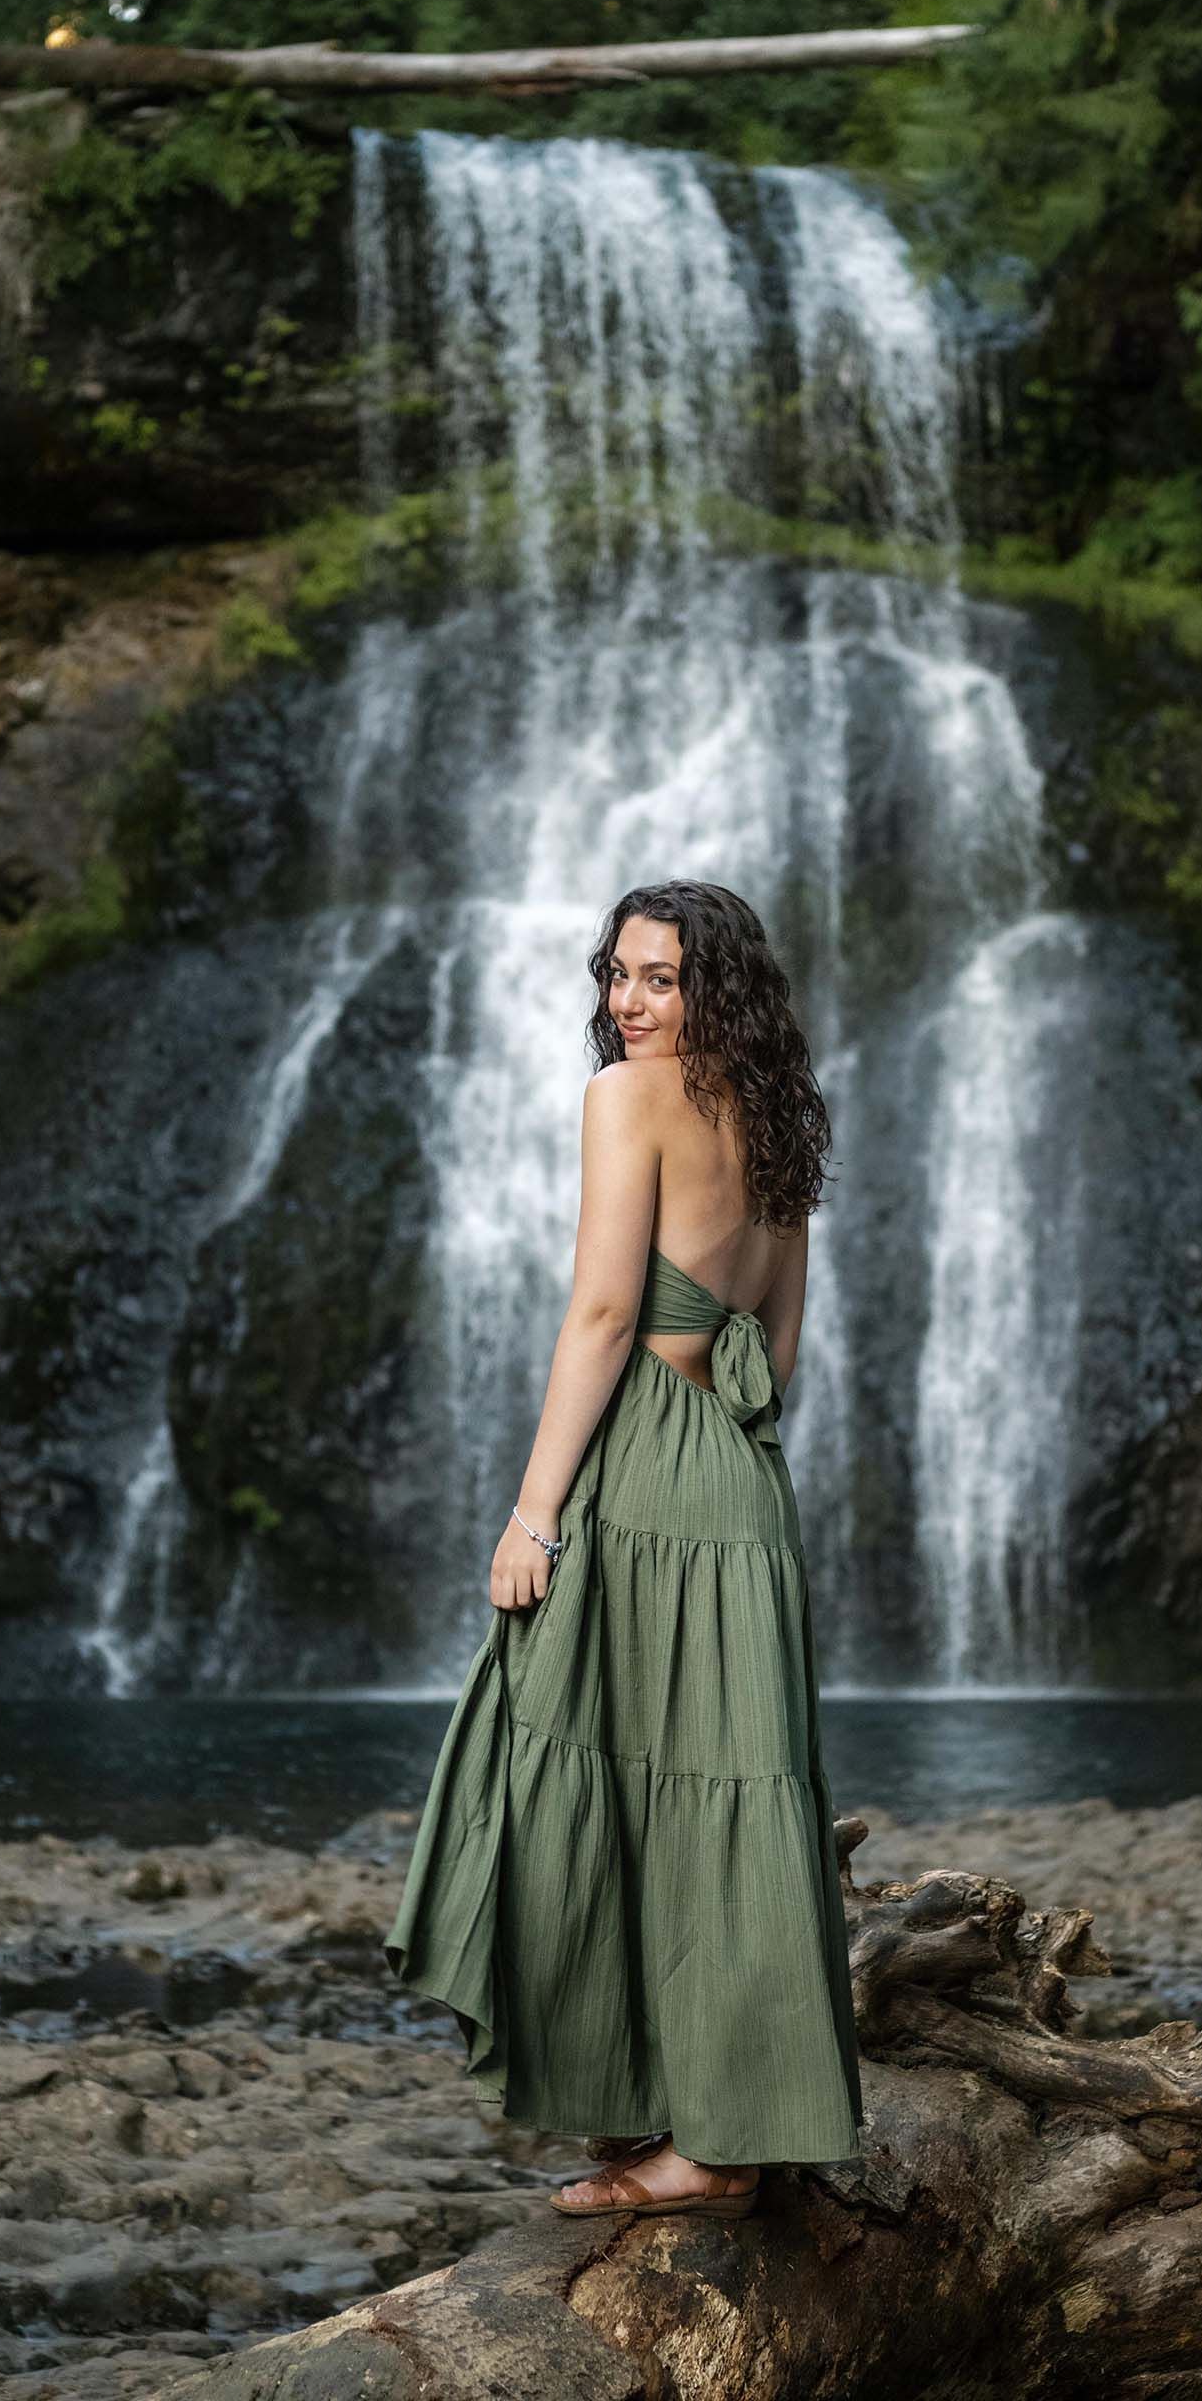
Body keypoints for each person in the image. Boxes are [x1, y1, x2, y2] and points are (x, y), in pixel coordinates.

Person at [384, 879, 862, 2219]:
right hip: (739, 1481)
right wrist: (725, 1454)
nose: (628, 1003)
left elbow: (602, 1313)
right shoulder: (779, 1122)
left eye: (661, 978)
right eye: (620, 973)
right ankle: (691, 2115)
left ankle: (698, 2143)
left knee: (573, 1751)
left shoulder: (627, 1101)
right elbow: (782, 1343)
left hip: (645, 1467)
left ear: (719, 989)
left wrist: (534, 1513)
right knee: (713, 1794)